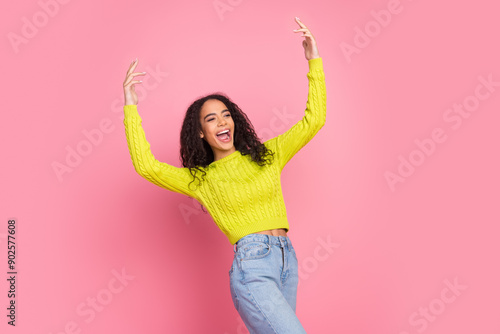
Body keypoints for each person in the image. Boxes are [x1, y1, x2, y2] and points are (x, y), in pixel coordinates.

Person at [122, 16, 326, 334]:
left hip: (287, 261)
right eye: (212, 119)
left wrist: (313, 59)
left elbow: (313, 120)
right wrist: (131, 107)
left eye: (226, 116)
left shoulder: (268, 154)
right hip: (252, 267)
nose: (222, 123)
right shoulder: (202, 179)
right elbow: (147, 166)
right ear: (201, 133)